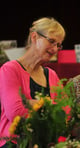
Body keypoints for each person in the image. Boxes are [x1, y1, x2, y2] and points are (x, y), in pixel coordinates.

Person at [0, 17, 65, 147]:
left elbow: (65, 113)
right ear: (34, 37)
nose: (55, 49)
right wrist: (51, 106)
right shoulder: (10, 69)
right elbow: (15, 112)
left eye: (58, 45)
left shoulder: (51, 75)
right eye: (51, 41)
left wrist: (34, 104)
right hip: (15, 144)